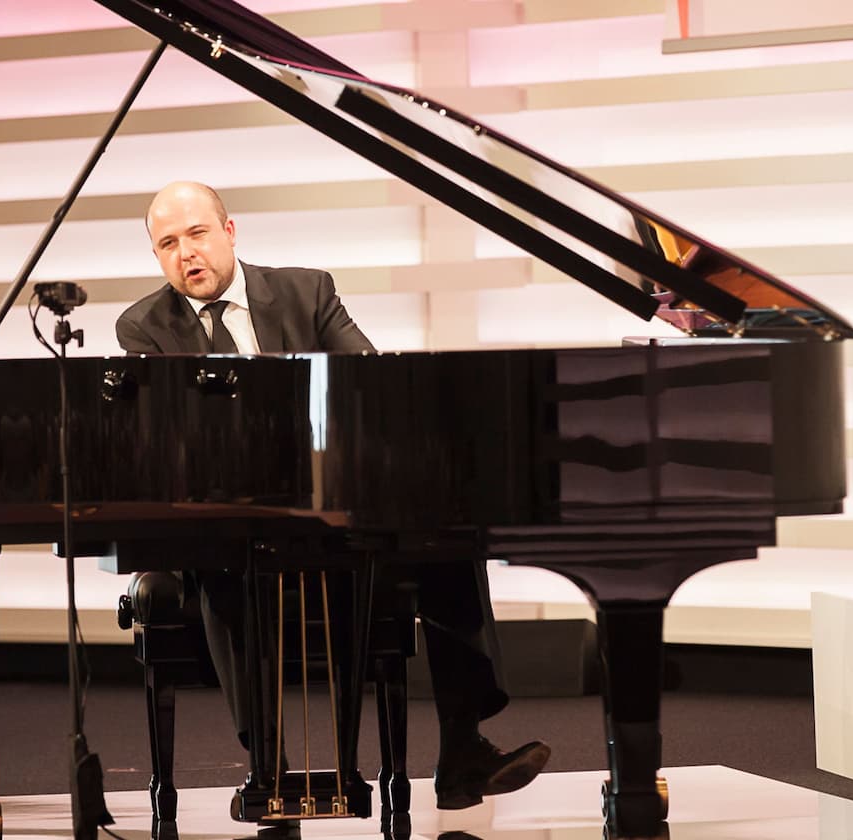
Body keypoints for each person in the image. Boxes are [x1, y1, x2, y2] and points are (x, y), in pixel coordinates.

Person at [117, 181, 550, 809]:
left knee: (452, 541)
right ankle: (269, 769)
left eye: (198, 234)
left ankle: (463, 749)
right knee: (220, 564)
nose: (186, 253)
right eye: (168, 243)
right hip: (228, 521)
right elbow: (171, 443)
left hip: (335, 511)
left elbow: (371, 387)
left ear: (230, 231)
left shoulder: (306, 290)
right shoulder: (144, 326)